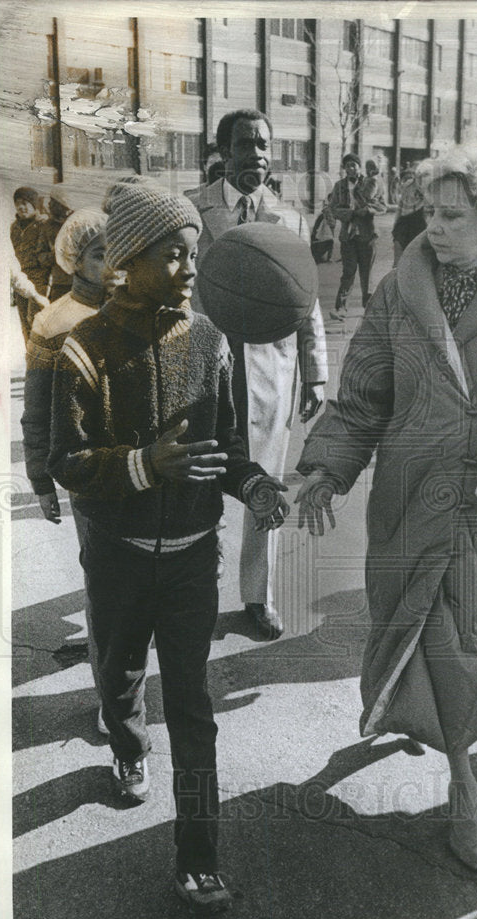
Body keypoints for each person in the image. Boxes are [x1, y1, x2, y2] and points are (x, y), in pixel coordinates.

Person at [295, 142, 477, 872]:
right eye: (429, 210)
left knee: (468, 649)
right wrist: (326, 470)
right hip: (408, 496)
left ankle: (461, 782)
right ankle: (418, 726)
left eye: (453, 215)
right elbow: (363, 391)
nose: (435, 227)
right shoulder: (398, 292)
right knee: (405, 628)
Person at [48, 181, 289, 912]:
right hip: (117, 556)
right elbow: (68, 461)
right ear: (126, 262)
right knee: (119, 674)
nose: (189, 268)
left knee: (192, 704)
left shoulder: (213, 343)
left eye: (193, 253)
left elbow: (232, 452)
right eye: (172, 255)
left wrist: (254, 489)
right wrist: (144, 464)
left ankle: (198, 854)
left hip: (191, 560)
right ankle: (126, 745)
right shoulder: (82, 349)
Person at [186, 108, 328, 641]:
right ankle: (197, 588)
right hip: (205, 367)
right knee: (204, 480)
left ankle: (257, 596)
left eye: (265, 145)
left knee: (264, 486)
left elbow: (306, 298)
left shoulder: (288, 219)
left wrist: (314, 371)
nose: (259, 155)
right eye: (247, 144)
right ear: (224, 151)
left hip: (272, 368)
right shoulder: (195, 210)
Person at [21, 208, 119, 733]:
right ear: (76, 261)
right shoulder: (53, 322)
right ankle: (113, 700)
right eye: (102, 253)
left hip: (137, 468)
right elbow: (36, 413)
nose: (114, 262)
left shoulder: (134, 307)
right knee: (104, 587)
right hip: (87, 475)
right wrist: (41, 480)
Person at [328, 152, 387, 319]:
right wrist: (350, 213)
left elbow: (382, 206)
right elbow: (333, 208)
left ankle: (368, 308)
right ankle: (341, 308)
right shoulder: (339, 186)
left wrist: (368, 210)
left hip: (368, 234)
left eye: (353, 165)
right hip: (348, 236)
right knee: (348, 272)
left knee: (367, 273)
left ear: (359, 167)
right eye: (347, 166)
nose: (350, 168)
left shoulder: (372, 181)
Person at [30, 187, 74, 320]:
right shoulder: (47, 226)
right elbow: (41, 256)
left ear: (63, 203)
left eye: (53, 202)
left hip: (80, 285)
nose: (49, 205)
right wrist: (55, 256)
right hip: (59, 286)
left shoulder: (79, 222)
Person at [10, 186, 42, 343]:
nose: (21, 207)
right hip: (21, 280)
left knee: (37, 321)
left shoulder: (43, 225)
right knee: (25, 323)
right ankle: (31, 360)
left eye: (25, 202)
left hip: (39, 280)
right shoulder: (14, 228)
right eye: (17, 203)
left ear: (34, 204)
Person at [391, 163, 427, 266]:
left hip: (421, 225)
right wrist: (395, 225)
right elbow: (400, 206)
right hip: (404, 223)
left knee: (417, 260)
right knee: (398, 258)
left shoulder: (430, 189)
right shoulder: (407, 186)